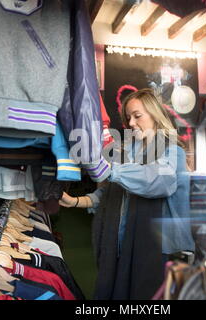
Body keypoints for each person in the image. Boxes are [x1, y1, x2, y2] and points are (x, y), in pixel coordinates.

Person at [59, 88, 195, 300]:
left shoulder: (171, 151)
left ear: (154, 114)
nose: (131, 123)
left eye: (137, 116)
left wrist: (111, 170)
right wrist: (75, 201)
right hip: (118, 246)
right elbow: (109, 194)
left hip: (158, 249)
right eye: (128, 117)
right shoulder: (126, 151)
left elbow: (158, 182)